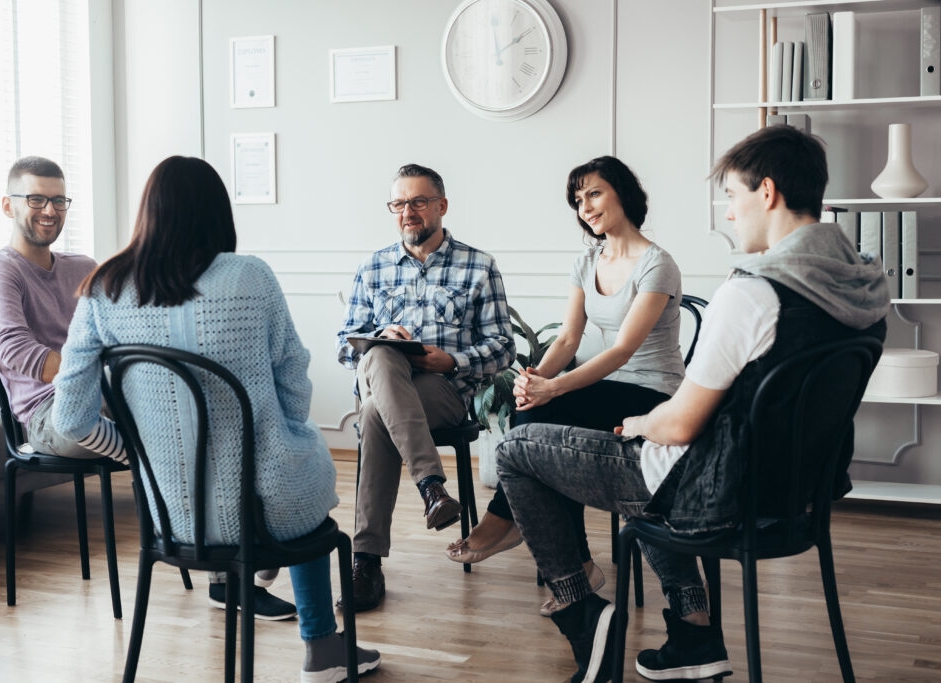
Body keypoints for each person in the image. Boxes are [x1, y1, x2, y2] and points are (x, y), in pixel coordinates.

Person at [496, 125, 889, 683]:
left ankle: (580, 614)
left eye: (732, 196)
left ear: (768, 193)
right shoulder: (864, 289)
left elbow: (680, 423)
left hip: (718, 494)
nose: (730, 214)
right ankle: (694, 632)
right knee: (643, 451)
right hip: (792, 494)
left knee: (518, 448)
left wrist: (640, 423)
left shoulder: (753, 293)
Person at [50, 156, 380, 681]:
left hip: (172, 518)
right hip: (264, 505)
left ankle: (286, 609)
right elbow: (293, 373)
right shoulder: (249, 275)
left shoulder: (102, 289)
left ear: (148, 212)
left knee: (291, 481)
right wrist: (288, 433)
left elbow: (69, 420)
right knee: (310, 491)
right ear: (216, 213)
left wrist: (137, 455)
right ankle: (321, 649)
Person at [446, 157, 685, 620]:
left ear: (623, 193)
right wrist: (535, 379)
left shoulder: (658, 265)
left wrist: (552, 390)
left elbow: (621, 353)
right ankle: (567, 559)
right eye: (578, 200)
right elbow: (569, 338)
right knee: (532, 413)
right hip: (610, 388)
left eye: (593, 193)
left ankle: (518, 528)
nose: (585, 207)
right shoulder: (587, 260)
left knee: (542, 416)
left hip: (653, 395)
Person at [337, 163, 516, 611]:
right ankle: (432, 488)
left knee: (377, 413)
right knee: (379, 357)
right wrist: (383, 340)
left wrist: (451, 359)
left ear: (441, 206)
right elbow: (345, 347)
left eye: (418, 202)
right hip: (384, 385)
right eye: (399, 203)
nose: (408, 212)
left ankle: (366, 564)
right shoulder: (373, 266)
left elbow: (503, 347)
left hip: (444, 391)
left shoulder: (478, 266)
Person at [0, 156, 123, 462]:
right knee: (163, 428)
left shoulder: (83, 267)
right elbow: (16, 351)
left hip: (100, 396)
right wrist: (95, 377)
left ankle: (149, 464)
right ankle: (149, 459)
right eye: (36, 199)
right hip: (49, 414)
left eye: (58, 200)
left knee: (185, 403)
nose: (50, 211)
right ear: (7, 206)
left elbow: (117, 335)